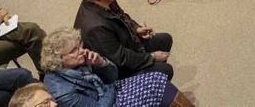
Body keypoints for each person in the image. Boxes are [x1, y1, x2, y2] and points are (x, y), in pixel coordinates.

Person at [73, 0, 176, 81]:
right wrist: (152, 57)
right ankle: (152, 82)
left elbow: (121, 16)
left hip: (124, 43)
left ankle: (155, 80)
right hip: (117, 71)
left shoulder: (105, 0)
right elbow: (120, 58)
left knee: (164, 40)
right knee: (165, 70)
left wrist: (136, 28)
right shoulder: (96, 27)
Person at [40, 28, 179, 107]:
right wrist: (110, 85)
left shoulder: (77, 60)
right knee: (155, 86)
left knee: (157, 79)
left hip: (108, 91)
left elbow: (113, 75)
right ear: (59, 59)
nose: (81, 50)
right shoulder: (63, 93)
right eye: (73, 50)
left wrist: (101, 62)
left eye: (80, 46)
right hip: (107, 102)